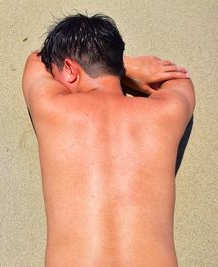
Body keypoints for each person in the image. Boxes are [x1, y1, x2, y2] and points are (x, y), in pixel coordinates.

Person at [22, 13, 194, 267]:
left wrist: (128, 65)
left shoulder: (53, 108)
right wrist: (121, 67)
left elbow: (36, 59)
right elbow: (179, 79)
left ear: (69, 69)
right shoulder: (164, 113)